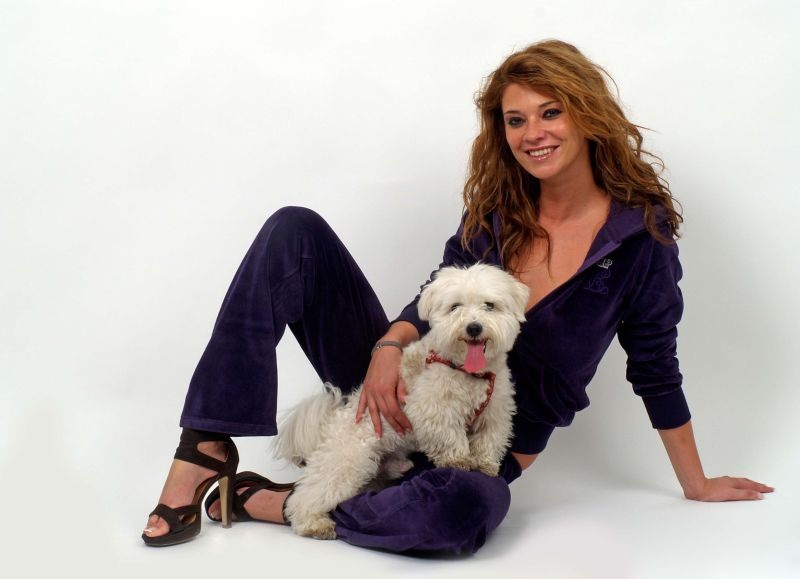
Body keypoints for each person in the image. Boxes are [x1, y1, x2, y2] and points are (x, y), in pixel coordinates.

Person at [142, 39, 773, 552]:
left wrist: (695, 482)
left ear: (586, 116)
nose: (533, 133)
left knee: (460, 513)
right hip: (401, 388)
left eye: (550, 113)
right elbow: (433, 295)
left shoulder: (639, 239)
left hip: (479, 447)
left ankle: (278, 501)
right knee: (293, 231)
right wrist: (388, 348)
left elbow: (655, 364)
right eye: (516, 120)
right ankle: (204, 448)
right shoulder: (499, 214)